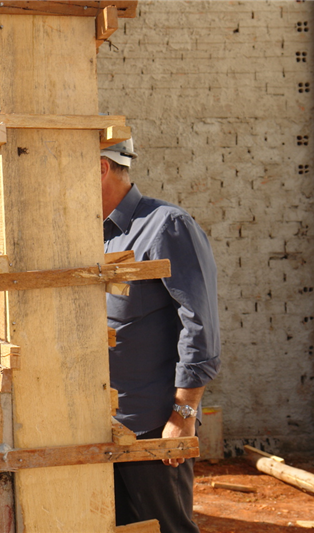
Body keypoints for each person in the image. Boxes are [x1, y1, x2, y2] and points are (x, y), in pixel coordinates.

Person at [101, 139, 221, 533]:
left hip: (152, 423)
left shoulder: (166, 225)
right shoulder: (92, 233)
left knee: (167, 528)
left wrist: (183, 414)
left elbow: (199, 324)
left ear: (100, 168)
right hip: (102, 424)